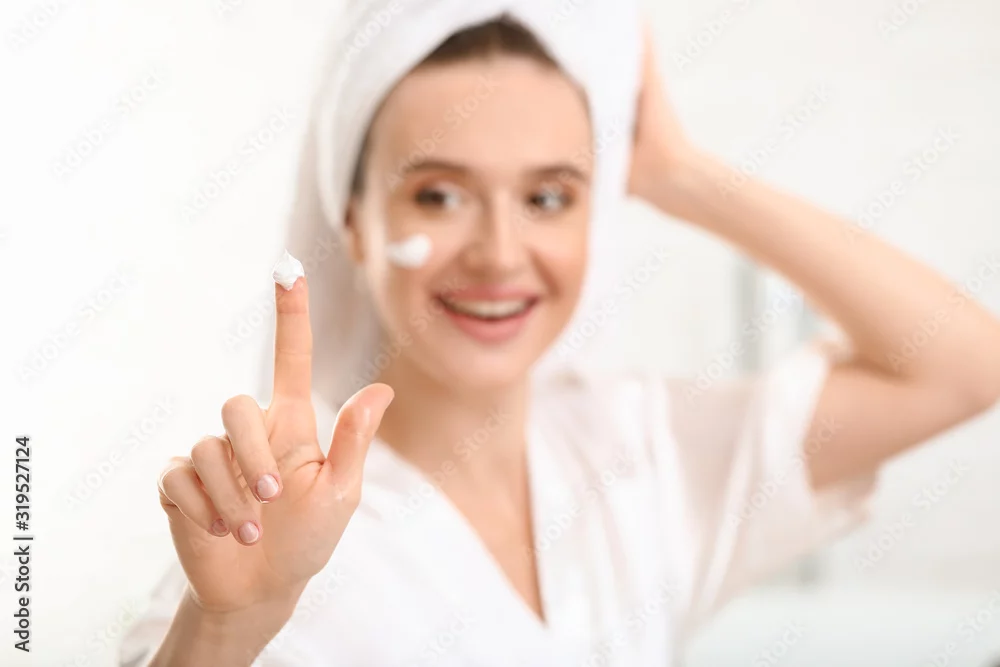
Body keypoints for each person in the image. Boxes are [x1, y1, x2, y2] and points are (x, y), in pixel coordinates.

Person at [121, 12, 1000, 667]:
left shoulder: (637, 454)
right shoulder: (278, 541)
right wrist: (227, 628)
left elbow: (963, 366)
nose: (501, 254)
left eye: (549, 197)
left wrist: (680, 173)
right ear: (353, 220)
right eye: (439, 194)